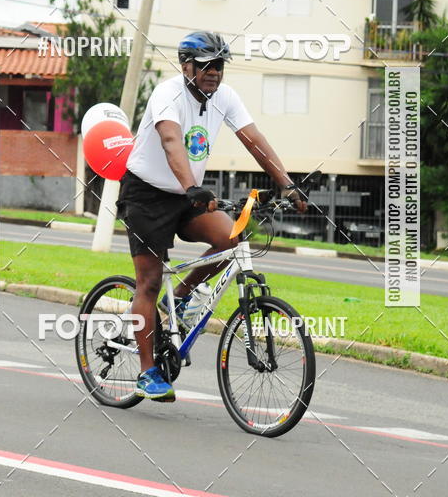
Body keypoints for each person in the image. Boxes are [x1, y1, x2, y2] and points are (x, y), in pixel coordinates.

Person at [116, 31, 307, 402]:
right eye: (205, 65)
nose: (213, 72)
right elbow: (172, 142)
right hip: (147, 195)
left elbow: (253, 140)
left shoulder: (226, 97)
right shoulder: (167, 94)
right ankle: (146, 371)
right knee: (150, 283)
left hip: (188, 195)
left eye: (219, 65)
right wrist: (191, 187)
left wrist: (286, 183)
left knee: (233, 237)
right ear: (186, 66)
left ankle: (184, 298)